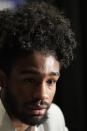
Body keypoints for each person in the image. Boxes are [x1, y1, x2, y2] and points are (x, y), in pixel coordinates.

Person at [0, 1, 76, 131]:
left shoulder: (54, 119)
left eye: (51, 81)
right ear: (2, 79)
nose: (42, 95)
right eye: (29, 80)